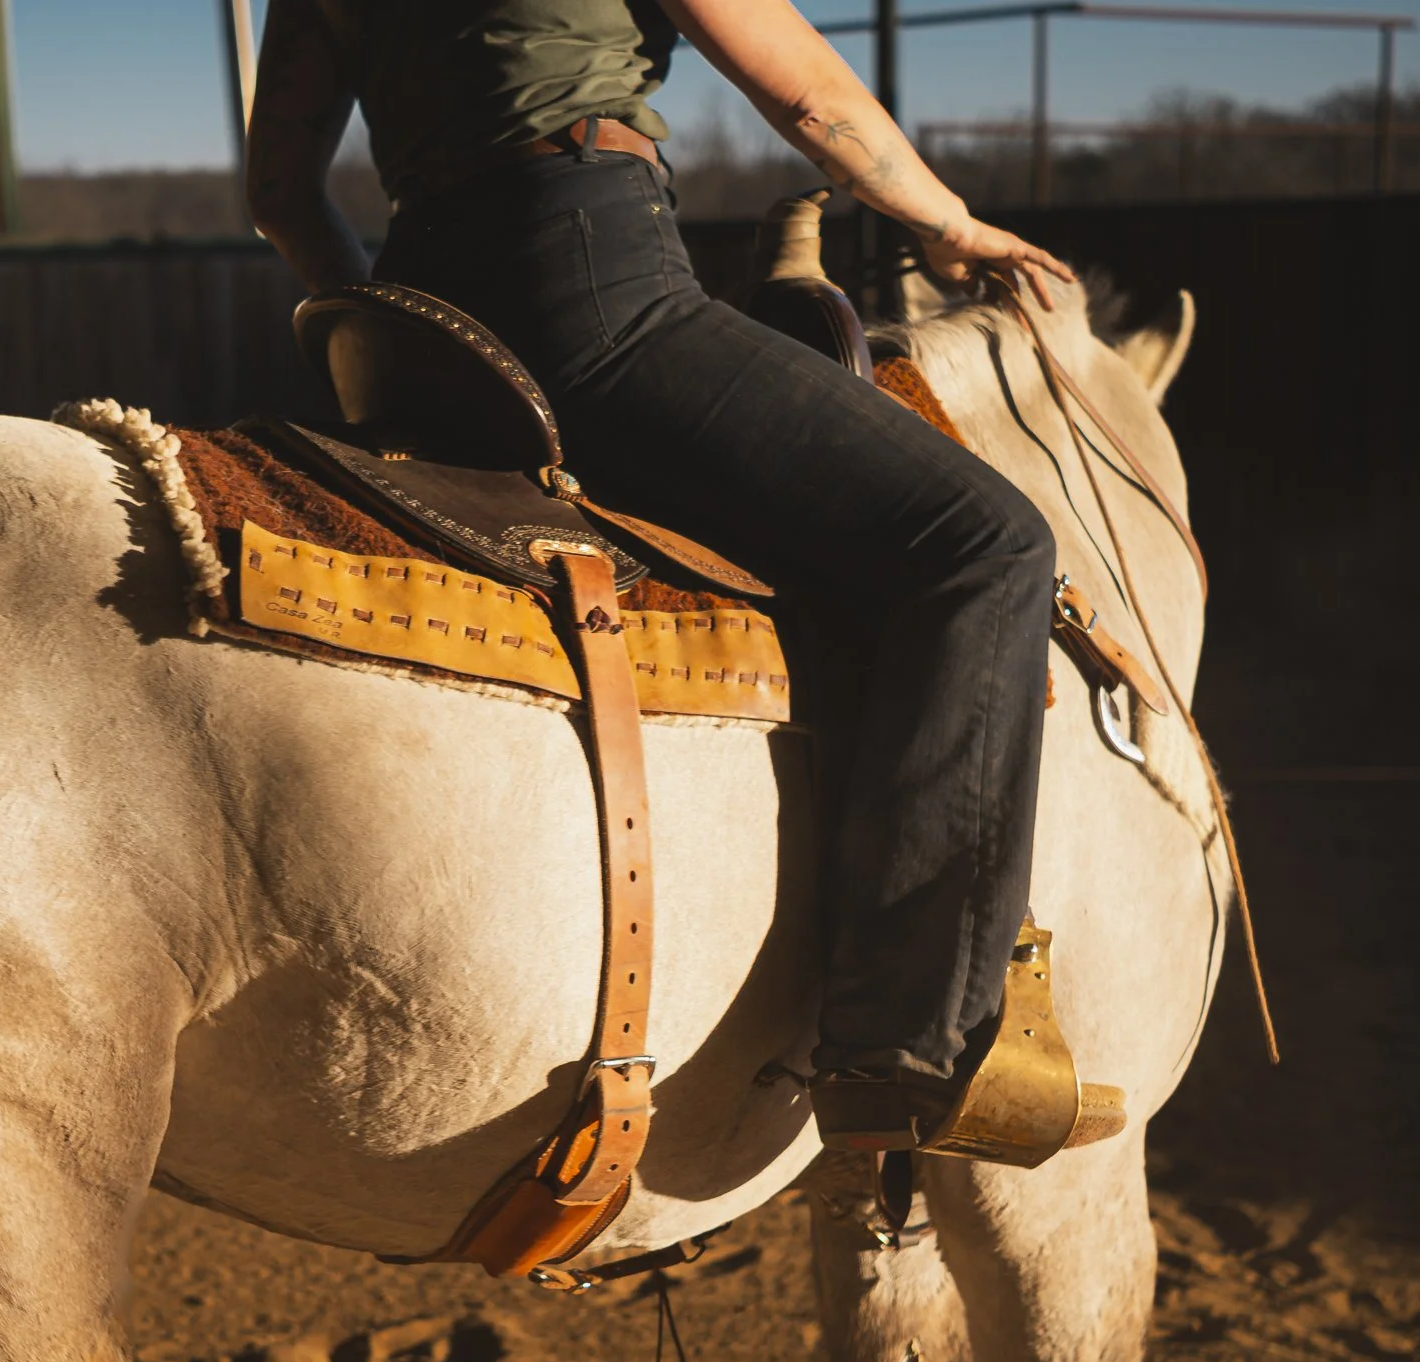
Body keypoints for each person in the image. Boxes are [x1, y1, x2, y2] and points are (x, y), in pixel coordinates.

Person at [246, 0, 1078, 1141]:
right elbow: (808, 98)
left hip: (422, 315)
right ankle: (904, 1042)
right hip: (586, 271)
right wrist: (952, 223)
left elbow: (280, 195)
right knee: (985, 548)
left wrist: (388, 322)